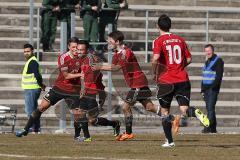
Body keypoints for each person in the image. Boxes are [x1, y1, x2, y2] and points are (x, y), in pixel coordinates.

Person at [93, 31, 164, 141]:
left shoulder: (126, 52)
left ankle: (129, 133)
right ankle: (172, 118)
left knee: (125, 107)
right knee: (149, 107)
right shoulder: (117, 54)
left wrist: (99, 67)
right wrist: (98, 66)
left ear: (117, 42)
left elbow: (116, 68)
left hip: (138, 83)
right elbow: (113, 65)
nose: (108, 42)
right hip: (138, 83)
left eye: (110, 40)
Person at [152, 14, 210, 147]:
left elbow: (155, 58)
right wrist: (179, 68)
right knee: (184, 109)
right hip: (182, 79)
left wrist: (155, 73)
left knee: (165, 112)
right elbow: (189, 59)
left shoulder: (158, 40)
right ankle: (194, 111)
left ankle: (169, 141)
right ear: (170, 25)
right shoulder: (180, 39)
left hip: (166, 81)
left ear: (157, 26)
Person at [16, 37, 85, 138]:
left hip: (73, 90)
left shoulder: (82, 58)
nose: (75, 49)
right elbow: (66, 75)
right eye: (73, 47)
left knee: (77, 113)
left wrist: (82, 87)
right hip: (59, 88)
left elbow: (84, 75)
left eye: (77, 47)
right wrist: (80, 74)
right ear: (69, 47)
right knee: (41, 107)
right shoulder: (63, 57)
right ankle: (25, 129)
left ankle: (77, 136)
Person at [74, 40, 120, 141]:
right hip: (87, 89)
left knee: (93, 120)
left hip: (91, 91)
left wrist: (83, 90)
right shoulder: (81, 59)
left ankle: (114, 124)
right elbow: (83, 75)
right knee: (79, 113)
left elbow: (92, 77)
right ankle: (86, 137)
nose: (79, 51)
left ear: (87, 50)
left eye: (81, 50)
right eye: (78, 49)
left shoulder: (91, 60)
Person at [21, 43, 46, 133]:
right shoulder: (31, 61)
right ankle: (36, 129)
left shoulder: (32, 61)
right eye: (25, 52)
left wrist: (41, 84)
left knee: (30, 110)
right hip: (31, 88)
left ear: (32, 51)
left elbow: (37, 75)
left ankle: (32, 128)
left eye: (28, 51)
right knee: (34, 110)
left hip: (31, 89)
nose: (26, 53)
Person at [201, 44, 224, 133]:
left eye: (209, 50)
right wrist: (202, 90)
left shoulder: (218, 61)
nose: (207, 52)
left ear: (213, 50)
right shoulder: (207, 61)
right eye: (206, 51)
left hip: (212, 89)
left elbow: (219, 76)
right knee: (209, 109)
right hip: (206, 89)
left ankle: (208, 127)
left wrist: (214, 88)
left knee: (210, 108)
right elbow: (204, 76)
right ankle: (213, 128)